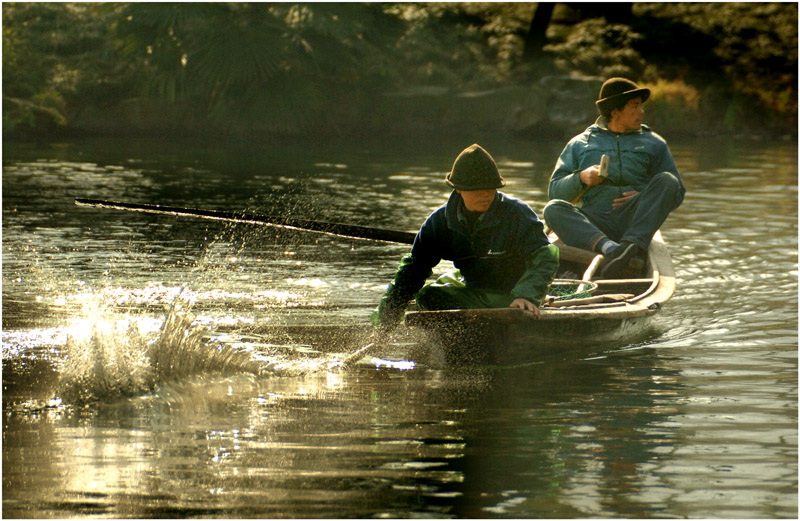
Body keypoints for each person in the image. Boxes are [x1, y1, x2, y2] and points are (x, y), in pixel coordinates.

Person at [371, 143, 559, 336]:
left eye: (490, 188)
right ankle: (458, 335)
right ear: (459, 190)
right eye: (477, 189)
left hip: (511, 297)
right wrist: (387, 319)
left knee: (445, 297)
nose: (486, 194)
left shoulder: (517, 214)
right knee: (429, 295)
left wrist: (526, 295)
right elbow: (413, 271)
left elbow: (544, 258)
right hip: (474, 290)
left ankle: (485, 329)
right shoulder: (440, 222)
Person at [543, 77, 686, 278]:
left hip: (635, 220)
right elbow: (554, 192)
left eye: (640, 106)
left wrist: (644, 194)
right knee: (553, 209)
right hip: (592, 222)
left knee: (668, 180)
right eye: (634, 106)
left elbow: (677, 192)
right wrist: (581, 178)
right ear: (615, 111)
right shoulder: (579, 143)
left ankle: (630, 246)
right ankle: (613, 250)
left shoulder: (655, 143)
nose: (641, 112)